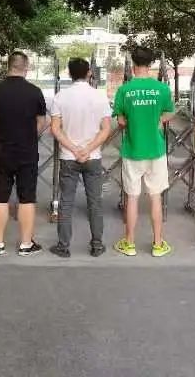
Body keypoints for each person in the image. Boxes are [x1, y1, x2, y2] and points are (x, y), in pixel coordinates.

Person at [112, 46, 175, 257]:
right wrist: (158, 121)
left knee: (132, 197)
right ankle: (158, 244)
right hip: (156, 150)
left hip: (132, 150)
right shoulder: (162, 88)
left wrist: (132, 121)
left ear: (132, 63)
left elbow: (121, 120)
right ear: (151, 63)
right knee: (155, 197)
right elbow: (170, 112)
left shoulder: (125, 90)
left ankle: (129, 243)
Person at [0, 52, 46, 256]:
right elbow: (41, 122)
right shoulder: (35, 92)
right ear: (25, 67)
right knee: (27, 197)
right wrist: (28, 134)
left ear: (8, 66)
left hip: (1, 151)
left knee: (0, 197)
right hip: (27, 152)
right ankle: (26, 244)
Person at [49, 58, 112, 258]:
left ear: (69, 73)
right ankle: (97, 245)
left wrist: (74, 149)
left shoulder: (60, 97)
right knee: (95, 202)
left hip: (68, 157)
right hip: (93, 157)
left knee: (66, 202)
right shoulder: (99, 96)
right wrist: (88, 149)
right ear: (89, 73)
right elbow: (106, 129)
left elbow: (55, 129)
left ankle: (63, 246)